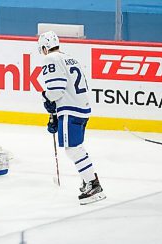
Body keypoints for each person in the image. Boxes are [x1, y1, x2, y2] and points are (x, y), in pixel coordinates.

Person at [37, 30, 106, 205]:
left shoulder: (50, 59)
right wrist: (55, 113)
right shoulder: (69, 58)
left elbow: (56, 90)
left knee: (72, 149)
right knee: (76, 147)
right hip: (81, 107)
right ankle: (88, 179)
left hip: (71, 109)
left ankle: (93, 183)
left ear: (45, 48)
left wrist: (47, 98)